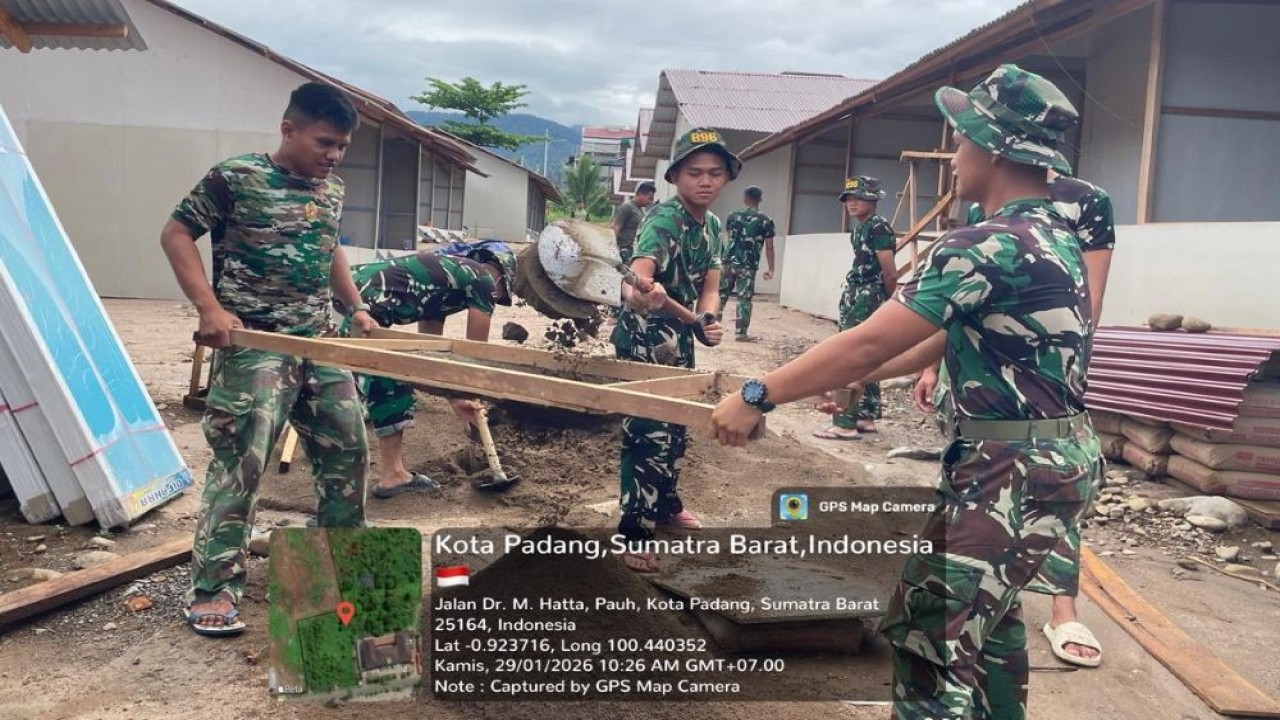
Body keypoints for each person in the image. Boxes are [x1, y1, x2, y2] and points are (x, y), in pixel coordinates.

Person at [710, 65, 1102, 719]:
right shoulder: (1056, 240)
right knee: (993, 627)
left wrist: (757, 393)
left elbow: (867, 338)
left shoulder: (987, 245)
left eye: (961, 140)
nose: (954, 157)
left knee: (931, 644)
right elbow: (947, 338)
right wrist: (863, 379)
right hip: (1061, 461)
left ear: (993, 147)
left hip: (1005, 471)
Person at [160, 82, 373, 637]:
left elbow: (329, 248)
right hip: (256, 344)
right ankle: (214, 586)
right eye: (325, 142)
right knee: (242, 461)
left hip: (319, 342)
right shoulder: (237, 177)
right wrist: (209, 308)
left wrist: (356, 307)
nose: (333, 155)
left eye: (342, 147)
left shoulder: (331, 191)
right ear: (288, 129)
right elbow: (177, 232)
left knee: (349, 451)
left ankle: (338, 571)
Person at [914, 170, 1116, 668]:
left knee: (1039, 487)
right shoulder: (987, 200)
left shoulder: (1085, 201)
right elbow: (961, 308)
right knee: (979, 494)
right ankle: (991, 601)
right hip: (977, 374)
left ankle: (1062, 609)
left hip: (1045, 375)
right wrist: (930, 364)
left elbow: (1085, 308)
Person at [612, 127, 734, 573]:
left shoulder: (714, 225)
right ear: (676, 177)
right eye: (695, 173)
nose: (705, 181)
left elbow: (712, 285)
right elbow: (639, 277)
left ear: (726, 177)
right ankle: (633, 529)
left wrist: (706, 320)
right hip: (645, 339)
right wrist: (642, 293)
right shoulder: (664, 219)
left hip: (678, 339)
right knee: (648, 432)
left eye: (715, 173)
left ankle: (664, 505)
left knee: (678, 425)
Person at [338, 242, 517, 497]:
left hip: (342, 292)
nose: (496, 297)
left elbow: (429, 356)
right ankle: (393, 475)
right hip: (359, 307)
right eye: (500, 292)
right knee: (391, 381)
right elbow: (474, 355)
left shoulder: (444, 281)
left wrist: (455, 397)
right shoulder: (483, 279)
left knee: (348, 380)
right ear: (500, 275)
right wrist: (469, 390)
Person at [814, 175, 896, 440]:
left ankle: (844, 423)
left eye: (858, 197)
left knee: (849, 354)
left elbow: (889, 271)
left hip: (866, 294)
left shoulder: (878, 226)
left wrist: (888, 299)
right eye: (848, 198)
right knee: (867, 354)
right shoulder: (861, 227)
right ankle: (866, 417)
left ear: (873, 199)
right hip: (858, 293)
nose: (851, 203)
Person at [718, 185, 776, 341]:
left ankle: (711, 326)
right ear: (760, 199)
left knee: (721, 295)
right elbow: (769, 247)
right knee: (744, 299)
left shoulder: (733, 216)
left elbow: (729, 237)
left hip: (728, 262)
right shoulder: (766, 221)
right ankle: (741, 333)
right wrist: (771, 268)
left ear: (744, 198)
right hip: (748, 266)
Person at [612, 181, 657, 262]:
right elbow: (616, 227)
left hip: (633, 249)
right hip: (624, 249)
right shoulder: (627, 207)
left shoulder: (641, 210)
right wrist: (616, 249)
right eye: (649, 198)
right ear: (640, 194)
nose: (650, 202)